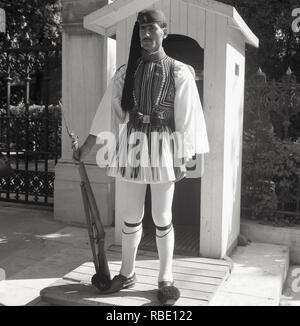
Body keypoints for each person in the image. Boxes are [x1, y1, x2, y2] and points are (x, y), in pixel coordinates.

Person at [73, 9, 209, 306]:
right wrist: (87, 147)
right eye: (141, 30)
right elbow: (107, 115)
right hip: (133, 145)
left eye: (152, 29)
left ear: (164, 31)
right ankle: (127, 272)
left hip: (164, 147)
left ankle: (165, 277)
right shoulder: (125, 71)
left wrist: (182, 157)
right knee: (131, 215)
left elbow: (187, 118)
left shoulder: (179, 71)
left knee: (162, 216)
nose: (146, 35)